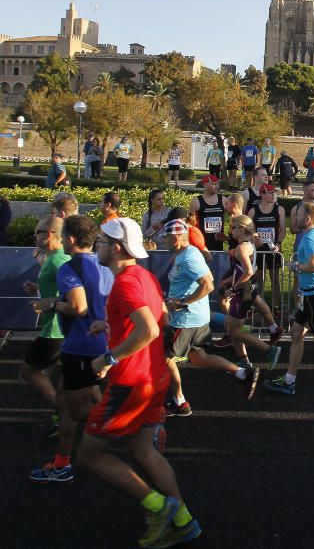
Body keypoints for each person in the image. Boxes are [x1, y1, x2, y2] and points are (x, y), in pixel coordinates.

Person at [76, 217, 201, 546]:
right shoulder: (144, 275)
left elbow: (150, 329)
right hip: (155, 377)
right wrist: (111, 325)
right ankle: (184, 520)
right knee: (143, 451)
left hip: (131, 381)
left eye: (102, 242)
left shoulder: (125, 282)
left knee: (88, 455)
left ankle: (158, 506)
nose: (97, 247)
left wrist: (108, 357)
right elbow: (158, 313)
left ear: (116, 248)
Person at [28, 216, 114, 484]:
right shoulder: (104, 265)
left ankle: (134, 429)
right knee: (66, 404)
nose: (62, 240)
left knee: (78, 411)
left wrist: (52, 304)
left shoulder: (69, 267)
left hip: (81, 346)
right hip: (100, 342)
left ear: (71, 239)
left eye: (64, 236)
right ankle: (62, 463)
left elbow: (79, 307)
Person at [161, 218, 258, 417]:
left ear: (177, 237)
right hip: (197, 318)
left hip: (186, 320)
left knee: (164, 358)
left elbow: (208, 284)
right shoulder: (186, 254)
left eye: (167, 237)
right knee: (199, 358)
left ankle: (179, 401)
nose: (163, 240)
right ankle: (242, 373)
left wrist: (182, 302)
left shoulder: (188, 256)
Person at [264, 203, 314, 395]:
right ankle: (289, 380)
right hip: (312, 293)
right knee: (297, 333)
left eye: (297, 215)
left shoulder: (309, 238)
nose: (294, 219)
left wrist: (296, 266)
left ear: (306, 219)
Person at [20, 217, 70, 440]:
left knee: (29, 372)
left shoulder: (58, 260)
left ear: (49, 234)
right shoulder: (53, 259)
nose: (35, 236)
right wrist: (38, 288)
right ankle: (63, 415)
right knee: (54, 377)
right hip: (57, 328)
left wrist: (48, 303)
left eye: (37, 232)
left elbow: (75, 294)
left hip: (55, 330)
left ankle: (63, 412)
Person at [220, 215, 284, 372]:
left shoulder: (242, 248)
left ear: (242, 229)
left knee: (233, 330)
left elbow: (247, 271)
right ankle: (244, 358)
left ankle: (268, 350)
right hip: (247, 288)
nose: (231, 230)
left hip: (243, 291)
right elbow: (246, 270)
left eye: (233, 227)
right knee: (231, 326)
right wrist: (229, 281)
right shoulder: (249, 244)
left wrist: (233, 288)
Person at [290, 181, 314, 255]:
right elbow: (292, 229)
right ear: (305, 191)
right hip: (301, 244)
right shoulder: (296, 208)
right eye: (313, 190)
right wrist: (305, 226)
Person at [190, 175, 226, 251]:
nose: (216, 186)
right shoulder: (196, 201)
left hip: (218, 243)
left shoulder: (223, 200)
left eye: (217, 184)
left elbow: (234, 216)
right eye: (213, 184)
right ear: (205, 185)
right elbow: (190, 223)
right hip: (202, 242)